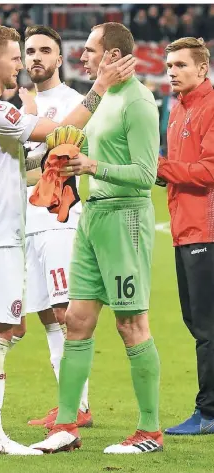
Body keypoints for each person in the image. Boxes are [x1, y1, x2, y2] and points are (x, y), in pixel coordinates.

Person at [0, 25, 135, 456]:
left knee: (13, 324)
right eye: (15, 56)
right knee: (6, 325)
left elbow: (21, 162)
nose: (21, 65)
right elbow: (59, 132)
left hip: (1, 229)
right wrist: (100, 85)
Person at [30, 22, 162, 455]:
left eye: (89, 50)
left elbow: (146, 174)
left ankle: (149, 432)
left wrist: (91, 167)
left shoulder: (140, 102)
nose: (81, 56)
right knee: (76, 321)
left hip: (125, 220)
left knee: (131, 325)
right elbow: (75, 146)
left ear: (112, 55)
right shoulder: (101, 99)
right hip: (92, 218)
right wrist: (69, 165)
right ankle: (66, 425)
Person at [19, 25, 92, 429]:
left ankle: (78, 406)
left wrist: (28, 166)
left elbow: (51, 164)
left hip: (60, 222)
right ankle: (69, 403)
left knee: (65, 312)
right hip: (28, 224)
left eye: (45, 50)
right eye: (30, 51)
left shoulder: (73, 103)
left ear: (59, 59)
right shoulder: (18, 107)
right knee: (48, 313)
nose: (36, 58)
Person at [157, 37, 214, 435]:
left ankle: (208, 412)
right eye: (169, 65)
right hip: (184, 228)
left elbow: (209, 170)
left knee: (208, 327)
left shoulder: (210, 107)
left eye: (180, 65)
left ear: (202, 69)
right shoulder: (177, 111)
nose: (172, 71)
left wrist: (157, 167)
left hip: (206, 231)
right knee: (197, 322)